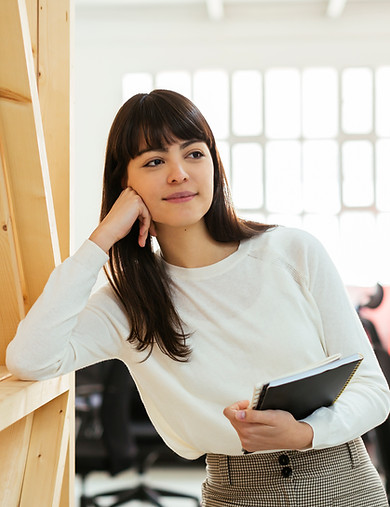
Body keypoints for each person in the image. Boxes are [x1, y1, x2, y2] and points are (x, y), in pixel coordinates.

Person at [6, 89, 390, 506]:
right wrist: (101, 239)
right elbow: (31, 358)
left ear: (213, 163)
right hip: (236, 491)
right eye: (154, 161)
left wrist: (307, 433)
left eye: (193, 153)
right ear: (125, 184)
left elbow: (373, 389)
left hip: (345, 482)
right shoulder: (128, 304)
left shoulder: (292, 251)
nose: (178, 174)